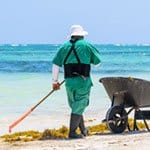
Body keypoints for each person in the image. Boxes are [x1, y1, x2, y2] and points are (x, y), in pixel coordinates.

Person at [52, 25, 101, 139]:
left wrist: (55, 81)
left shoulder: (63, 47)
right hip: (83, 82)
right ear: (82, 35)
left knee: (76, 106)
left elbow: (55, 64)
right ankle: (72, 132)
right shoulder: (87, 45)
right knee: (79, 105)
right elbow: (98, 63)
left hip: (69, 83)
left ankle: (83, 130)